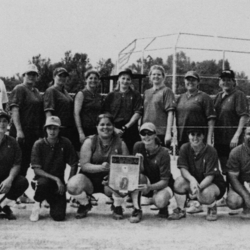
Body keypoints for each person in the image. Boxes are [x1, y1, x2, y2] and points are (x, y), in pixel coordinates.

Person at [67, 113, 129, 220]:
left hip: (110, 182)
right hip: (90, 180)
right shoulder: (89, 141)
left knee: (125, 182)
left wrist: (112, 174)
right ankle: (85, 203)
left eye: (109, 124)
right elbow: (84, 165)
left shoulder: (121, 143)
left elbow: (127, 167)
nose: (105, 127)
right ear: (97, 127)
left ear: (113, 126)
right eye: (102, 124)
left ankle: (117, 205)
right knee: (72, 185)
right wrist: (101, 167)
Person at [168, 128, 226, 221]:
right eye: (192, 134)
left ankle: (212, 207)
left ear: (203, 136)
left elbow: (210, 176)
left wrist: (197, 189)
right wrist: (192, 180)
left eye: (198, 134)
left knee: (205, 194)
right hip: (195, 181)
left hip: (212, 183)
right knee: (179, 182)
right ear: (188, 136)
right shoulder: (184, 148)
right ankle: (180, 209)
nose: (195, 137)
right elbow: (183, 169)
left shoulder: (211, 150)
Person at [29, 116, 78, 222]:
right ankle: (37, 204)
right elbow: (37, 170)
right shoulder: (39, 144)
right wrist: (56, 179)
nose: (52, 131)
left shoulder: (65, 143)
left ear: (59, 129)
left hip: (58, 184)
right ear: (45, 129)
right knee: (43, 183)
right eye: (49, 128)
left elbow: (74, 163)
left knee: (59, 216)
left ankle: (49, 199)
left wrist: (70, 182)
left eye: (55, 128)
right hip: (41, 180)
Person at [214, 70, 249, 205]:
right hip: (220, 139)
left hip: (233, 140)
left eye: (229, 79)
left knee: (235, 168)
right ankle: (228, 195)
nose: (226, 82)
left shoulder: (239, 95)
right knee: (225, 168)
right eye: (223, 79)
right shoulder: (218, 96)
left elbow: (244, 116)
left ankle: (237, 195)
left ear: (234, 81)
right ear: (219, 82)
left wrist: (236, 135)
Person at [129, 122, 174, 223]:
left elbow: (165, 181)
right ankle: (137, 209)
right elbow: (136, 174)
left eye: (149, 133)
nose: (146, 136)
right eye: (143, 133)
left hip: (162, 185)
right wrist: (139, 163)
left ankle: (163, 206)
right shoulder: (138, 146)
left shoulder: (163, 153)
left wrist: (150, 188)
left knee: (160, 201)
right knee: (138, 177)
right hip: (147, 181)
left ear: (155, 135)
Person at [9, 64, 44, 178]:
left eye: (34, 74)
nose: (31, 76)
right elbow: (15, 110)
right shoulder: (19, 88)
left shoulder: (36, 92)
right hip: (22, 132)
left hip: (33, 133)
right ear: (24, 75)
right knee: (18, 162)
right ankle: (14, 190)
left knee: (28, 161)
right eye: (29, 74)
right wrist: (19, 130)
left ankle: (21, 191)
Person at [103, 69, 142, 153]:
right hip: (113, 130)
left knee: (133, 153)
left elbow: (138, 112)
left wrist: (126, 126)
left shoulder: (136, 95)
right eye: (123, 78)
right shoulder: (111, 95)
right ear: (119, 79)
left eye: (128, 79)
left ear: (131, 81)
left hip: (130, 129)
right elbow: (106, 113)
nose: (125, 81)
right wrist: (114, 128)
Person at [0, 110, 29, 220]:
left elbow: (17, 164)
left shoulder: (12, 142)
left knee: (22, 182)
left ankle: (3, 205)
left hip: (4, 180)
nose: (2, 124)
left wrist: (10, 179)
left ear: (8, 124)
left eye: (4, 121)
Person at [176, 71, 216, 148]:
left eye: (193, 80)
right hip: (182, 138)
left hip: (198, 139)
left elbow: (211, 120)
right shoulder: (180, 98)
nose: (190, 82)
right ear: (184, 81)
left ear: (198, 82)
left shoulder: (205, 97)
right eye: (188, 80)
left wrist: (209, 139)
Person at [44, 67, 79, 151]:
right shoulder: (51, 91)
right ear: (54, 76)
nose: (62, 78)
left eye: (64, 76)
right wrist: (51, 130)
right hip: (58, 129)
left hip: (67, 129)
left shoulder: (65, 91)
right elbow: (48, 112)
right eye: (60, 75)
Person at [142, 65, 176, 148]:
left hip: (160, 132)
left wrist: (168, 133)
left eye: (159, 74)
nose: (156, 76)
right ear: (150, 76)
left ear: (163, 77)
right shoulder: (146, 92)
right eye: (153, 74)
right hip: (147, 131)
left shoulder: (167, 91)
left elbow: (170, 113)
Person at [226, 125, 250, 219]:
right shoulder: (236, 152)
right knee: (233, 201)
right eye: (249, 134)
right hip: (241, 184)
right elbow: (233, 178)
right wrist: (246, 196)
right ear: (244, 136)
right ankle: (246, 204)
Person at [74, 70, 103, 144]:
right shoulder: (81, 94)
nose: (93, 80)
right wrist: (80, 132)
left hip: (96, 130)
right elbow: (76, 114)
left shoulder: (98, 96)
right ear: (86, 80)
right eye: (90, 78)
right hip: (84, 130)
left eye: (95, 78)